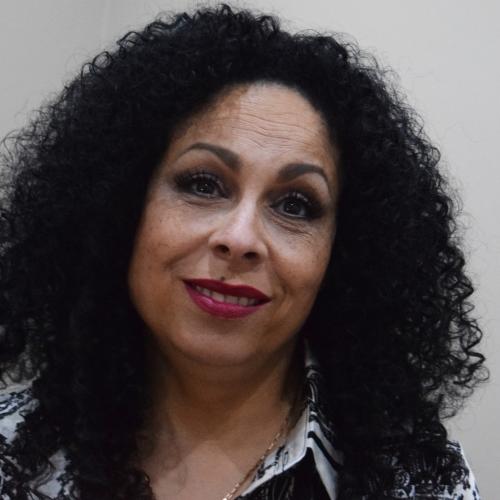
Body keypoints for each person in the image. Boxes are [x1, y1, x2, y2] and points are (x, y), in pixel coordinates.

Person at [0, 4, 487, 499]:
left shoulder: (423, 484)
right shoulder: (8, 453)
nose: (240, 238)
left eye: (295, 205)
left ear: (343, 256)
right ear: (118, 208)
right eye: (203, 184)